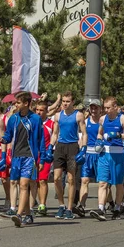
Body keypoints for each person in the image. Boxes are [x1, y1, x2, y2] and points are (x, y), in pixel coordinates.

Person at [0, 92, 45, 227]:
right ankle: (28, 214)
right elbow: (8, 136)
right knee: (14, 182)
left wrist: (42, 159)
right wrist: (2, 139)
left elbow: (41, 140)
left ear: (26, 103)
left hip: (30, 156)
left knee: (24, 184)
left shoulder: (35, 119)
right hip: (16, 156)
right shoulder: (13, 119)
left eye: (18, 102)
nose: (15, 105)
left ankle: (17, 213)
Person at [89, 97, 124, 221]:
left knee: (118, 183)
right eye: (105, 108)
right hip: (104, 154)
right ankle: (101, 208)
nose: (106, 110)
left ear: (115, 107)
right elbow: (100, 133)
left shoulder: (122, 118)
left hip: (118, 154)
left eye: (108, 108)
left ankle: (118, 208)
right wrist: (98, 141)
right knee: (103, 182)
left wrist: (118, 135)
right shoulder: (103, 119)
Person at [49, 91, 87, 220]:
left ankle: (70, 208)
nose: (65, 104)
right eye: (63, 101)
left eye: (67, 101)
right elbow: (55, 133)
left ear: (72, 102)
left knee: (71, 179)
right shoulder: (58, 115)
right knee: (56, 178)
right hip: (60, 147)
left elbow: (84, 133)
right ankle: (61, 205)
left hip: (72, 147)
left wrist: (83, 149)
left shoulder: (78, 115)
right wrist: (50, 147)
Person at [77, 101, 101, 217]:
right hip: (88, 155)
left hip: (100, 155)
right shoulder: (86, 122)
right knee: (84, 180)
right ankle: (81, 205)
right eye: (91, 108)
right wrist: (81, 151)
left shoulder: (103, 122)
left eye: (95, 108)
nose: (93, 110)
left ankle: (110, 202)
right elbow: (82, 138)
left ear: (100, 109)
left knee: (102, 182)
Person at [35, 100, 54, 216]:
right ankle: (37, 203)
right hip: (33, 155)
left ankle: (43, 204)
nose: (39, 112)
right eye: (37, 110)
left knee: (42, 180)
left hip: (46, 156)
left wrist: (50, 151)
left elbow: (54, 138)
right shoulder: (32, 123)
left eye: (41, 110)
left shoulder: (51, 124)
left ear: (47, 111)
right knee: (36, 181)